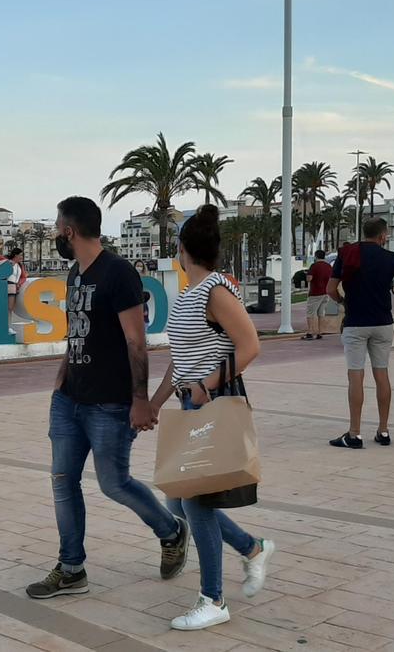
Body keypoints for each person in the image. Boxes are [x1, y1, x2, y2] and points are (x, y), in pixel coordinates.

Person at [26, 196, 188, 600]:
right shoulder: (75, 275)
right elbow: (76, 332)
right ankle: (71, 568)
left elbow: (137, 342)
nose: (56, 237)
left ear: (69, 231)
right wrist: (62, 378)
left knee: (114, 483)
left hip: (110, 403)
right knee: (63, 481)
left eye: (57, 229)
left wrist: (140, 400)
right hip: (69, 400)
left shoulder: (118, 273)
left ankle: (171, 530)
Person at [148, 204, 274, 632]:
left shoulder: (215, 291)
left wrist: (205, 385)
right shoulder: (189, 294)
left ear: (182, 250)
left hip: (210, 404)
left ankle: (213, 598)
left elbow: (250, 345)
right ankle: (251, 547)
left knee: (196, 500)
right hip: (190, 404)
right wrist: (157, 400)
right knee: (181, 498)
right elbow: (180, 360)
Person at [326, 217, 394, 448]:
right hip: (383, 322)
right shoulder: (391, 258)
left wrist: (344, 301)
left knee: (356, 376)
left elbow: (330, 289)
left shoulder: (348, 253)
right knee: (382, 374)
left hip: (356, 322)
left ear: (364, 233)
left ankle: (354, 433)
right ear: (383, 236)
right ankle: (383, 430)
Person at [302, 250, 333, 341]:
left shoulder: (314, 266)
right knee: (321, 313)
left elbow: (309, 279)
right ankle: (320, 332)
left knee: (310, 313)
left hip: (315, 293)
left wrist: (307, 274)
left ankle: (310, 332)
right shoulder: (328, 267)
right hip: (325, 292)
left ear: (316, 256)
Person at [1, 246, 27, 334]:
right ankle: (6, 326)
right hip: (7, 285)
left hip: (14, 286)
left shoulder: (20, 265)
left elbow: (24, 276)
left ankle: (8, 326)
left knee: (10, 308)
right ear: (15, 255)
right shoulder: (8, 262)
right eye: (20, 255)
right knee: (8, 307)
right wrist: (8, 262)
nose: (21, 257)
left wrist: (19, 283)